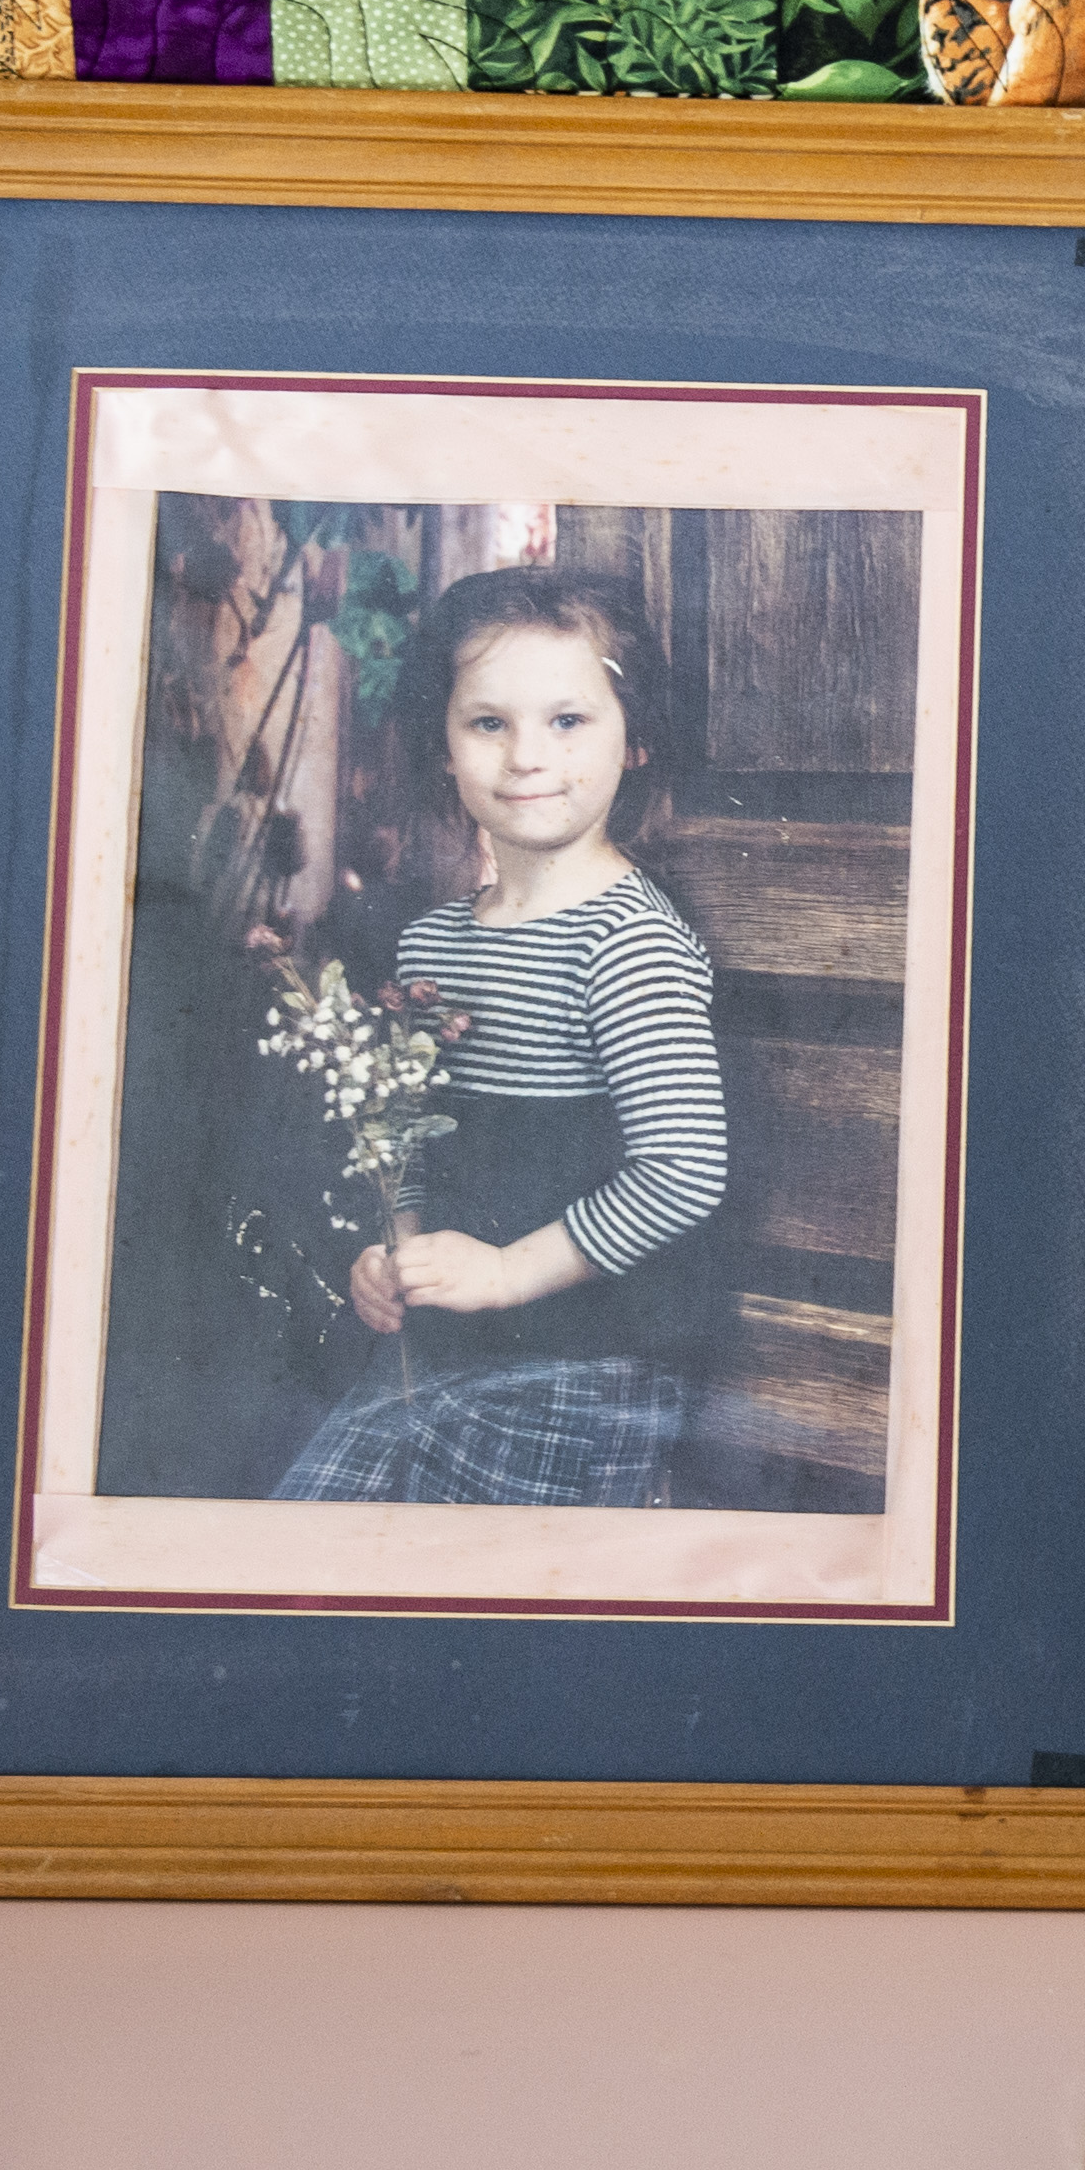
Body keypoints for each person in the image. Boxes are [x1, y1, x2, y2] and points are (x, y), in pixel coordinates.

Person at [275, 564, 727, 1508]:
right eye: (489, 723)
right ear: (443, 745)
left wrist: (505, 1272)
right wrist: (394, 1255)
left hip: (582, 1364)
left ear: (635, 738)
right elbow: (405, 1126)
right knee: (308, 1536)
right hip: (442, 1353)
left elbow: (683, 1168)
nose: (527, 756)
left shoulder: (626, 941)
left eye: (568, 721)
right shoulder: (434, 937)